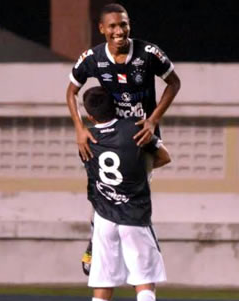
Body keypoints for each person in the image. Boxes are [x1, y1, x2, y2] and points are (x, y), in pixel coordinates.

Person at [65, 2, 181, 274]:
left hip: (141, 133)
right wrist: (79, 128)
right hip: (111, 134)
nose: (119, 31)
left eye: (124, 25)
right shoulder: (92, 58)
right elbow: (71, 91)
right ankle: (97, 240)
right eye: (113, 26)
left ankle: (138, 243)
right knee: (105, 187)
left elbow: (174, 82)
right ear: (102, 29)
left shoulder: (148, 53)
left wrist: (153, 119)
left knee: (138, 188)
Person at [80, 86, 171, 301]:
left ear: (89, 115)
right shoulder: (135, 129)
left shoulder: (86, 137)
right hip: (134, 216)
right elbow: (164, 157)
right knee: (144, 283)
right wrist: (139, 169)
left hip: (104, 218)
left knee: (102, 287)